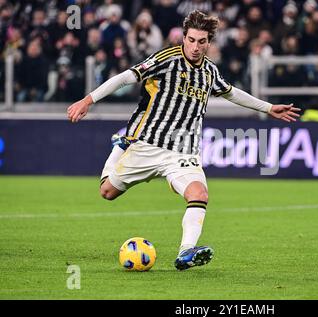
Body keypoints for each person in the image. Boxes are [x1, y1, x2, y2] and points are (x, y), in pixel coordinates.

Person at [67, 10, 300, 271]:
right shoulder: (167, 58)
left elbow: (231, 93)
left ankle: (186, 252)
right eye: (191, 40)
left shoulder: (210, 71)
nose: (195, 47)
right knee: (107, 192)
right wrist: (88, 100)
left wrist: (268, 108)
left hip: (183, 152)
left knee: (199, 194)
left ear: (209, 42)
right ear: (184, 37)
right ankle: (118, 148)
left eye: (202, 41)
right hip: (148, 144)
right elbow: (126, 77)